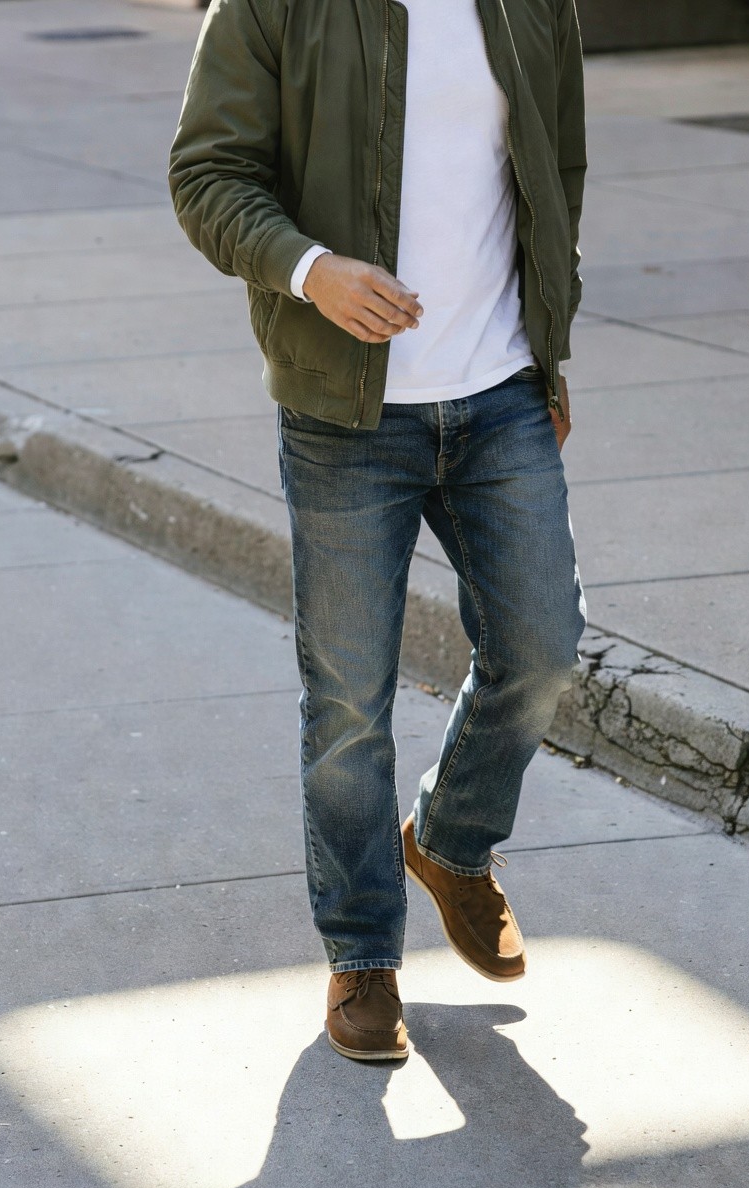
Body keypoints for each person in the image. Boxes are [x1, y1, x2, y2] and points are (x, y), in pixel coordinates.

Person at [169, 0, 588, 1063]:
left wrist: (549, 343)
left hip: (497, 393)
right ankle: (362, 956)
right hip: (345, 411)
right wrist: (312, 270)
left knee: (542, 649)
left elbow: (556, 166)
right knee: (350, 698)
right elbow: (207, 176)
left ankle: (450, 842)